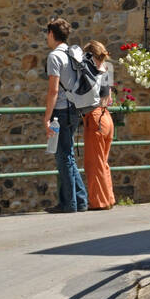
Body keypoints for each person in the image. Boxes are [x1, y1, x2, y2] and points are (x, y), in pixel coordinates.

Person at [44, 18, 88, 213]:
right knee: (68, 155)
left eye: (47, 34)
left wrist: (46, 117)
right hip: (74, 108)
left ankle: (69, 203)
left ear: (52, 34)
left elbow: (53, 90)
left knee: (63, 157)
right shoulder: (73, 53)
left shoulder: (54, 56)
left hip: (60, 110)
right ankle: (81, 200)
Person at [81, 40, 115, 210]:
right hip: (107, 116)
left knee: (94, 162)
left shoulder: (90, 72)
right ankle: (108, 198)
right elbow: (109, 98)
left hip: (95, 116)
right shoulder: (107, 69)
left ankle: (99, 202)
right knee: (102, 161)